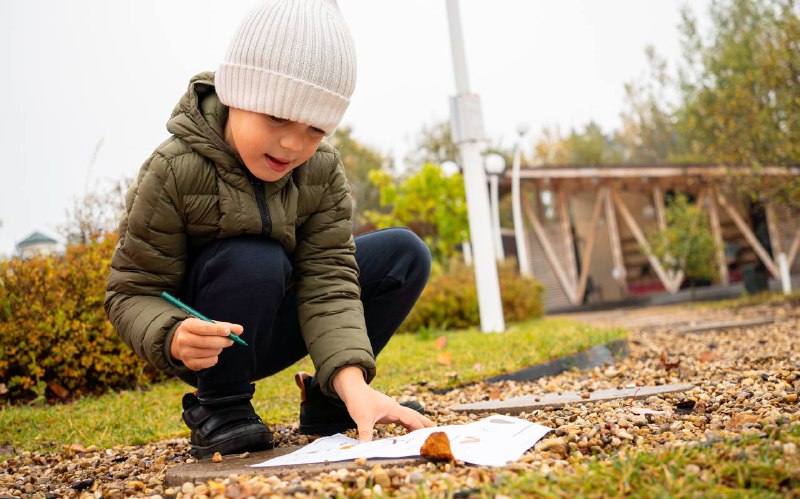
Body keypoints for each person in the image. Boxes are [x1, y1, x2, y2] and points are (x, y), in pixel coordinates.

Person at [105, 0, 434, 459]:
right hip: (205, 344)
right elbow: (131, 291)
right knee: (255, 256)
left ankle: (333, 399)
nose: (292, 144)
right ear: (237, 94)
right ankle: (221, 408)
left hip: (280, 322)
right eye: (276, 117)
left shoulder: (320, 171)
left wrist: (352, 380)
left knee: (404, 253)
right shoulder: (172, 169)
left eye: (315, 128)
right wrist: (172, 334)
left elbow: (330, 283)